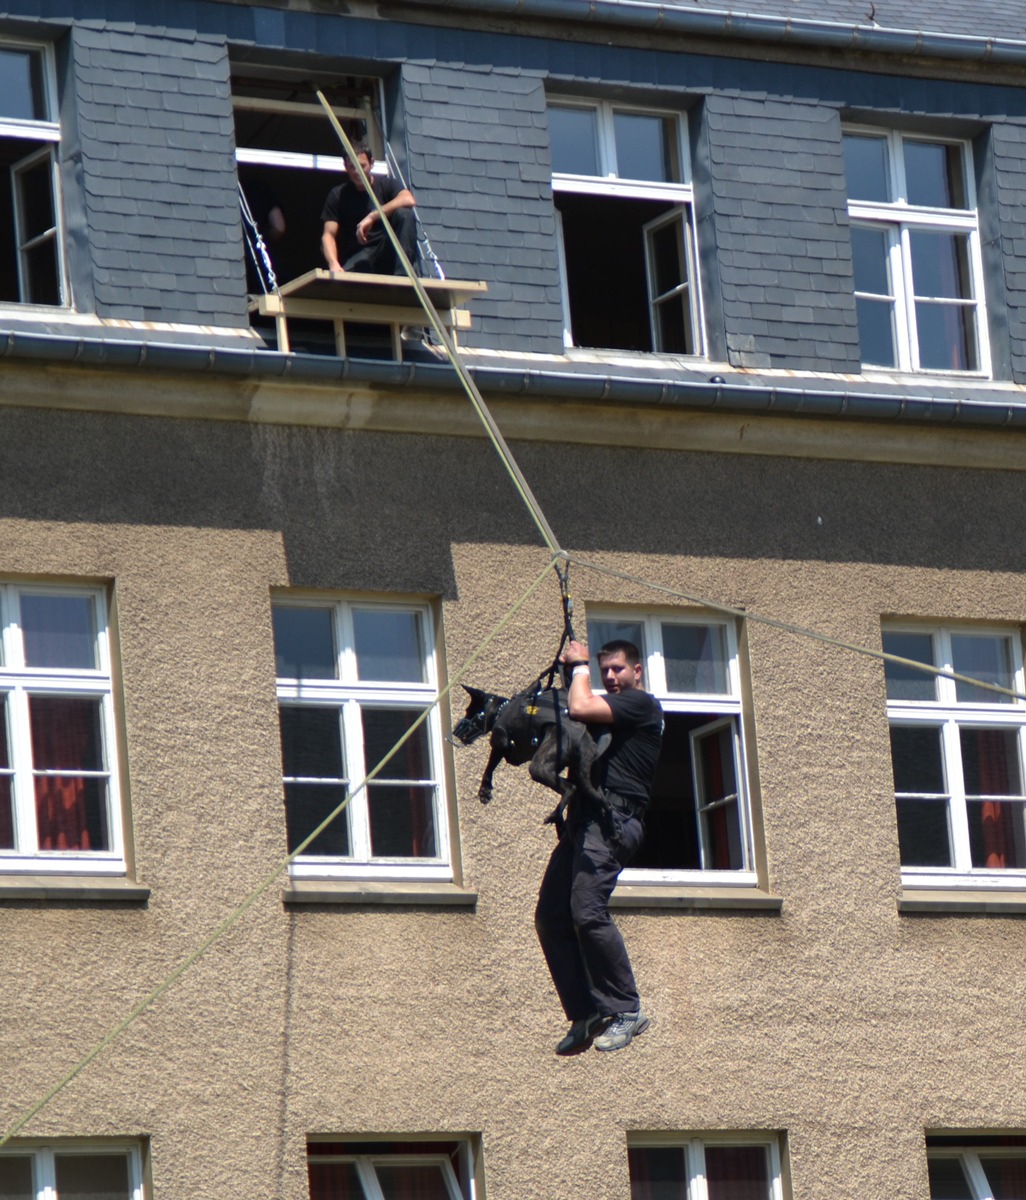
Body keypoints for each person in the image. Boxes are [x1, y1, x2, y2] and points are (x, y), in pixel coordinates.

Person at [535, 637, 664, 1054]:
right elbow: (569, 716)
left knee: (586, 910)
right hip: (584, 820)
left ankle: (626, 1009)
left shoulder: (640, 705)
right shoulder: (610, 710)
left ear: (637, 671)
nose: (611, 677)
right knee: (550, 916)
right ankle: (586, 1011)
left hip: (614, 822)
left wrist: (580, 666)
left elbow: (580, 706)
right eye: (605, 670)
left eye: (618, 669)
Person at [320, 141, 418, 276]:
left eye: (362, 166)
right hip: (360, 256)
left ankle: (405, 276)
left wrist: (372, 216)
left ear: (372, 163)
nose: (357, 172)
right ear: (345, 167)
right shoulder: (338, 195)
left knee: (404, 214)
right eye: (352, 167)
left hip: (386, 250)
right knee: (345, 278)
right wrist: (333, 264)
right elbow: (328, 235)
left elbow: (408, 199)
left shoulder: (386, 184)